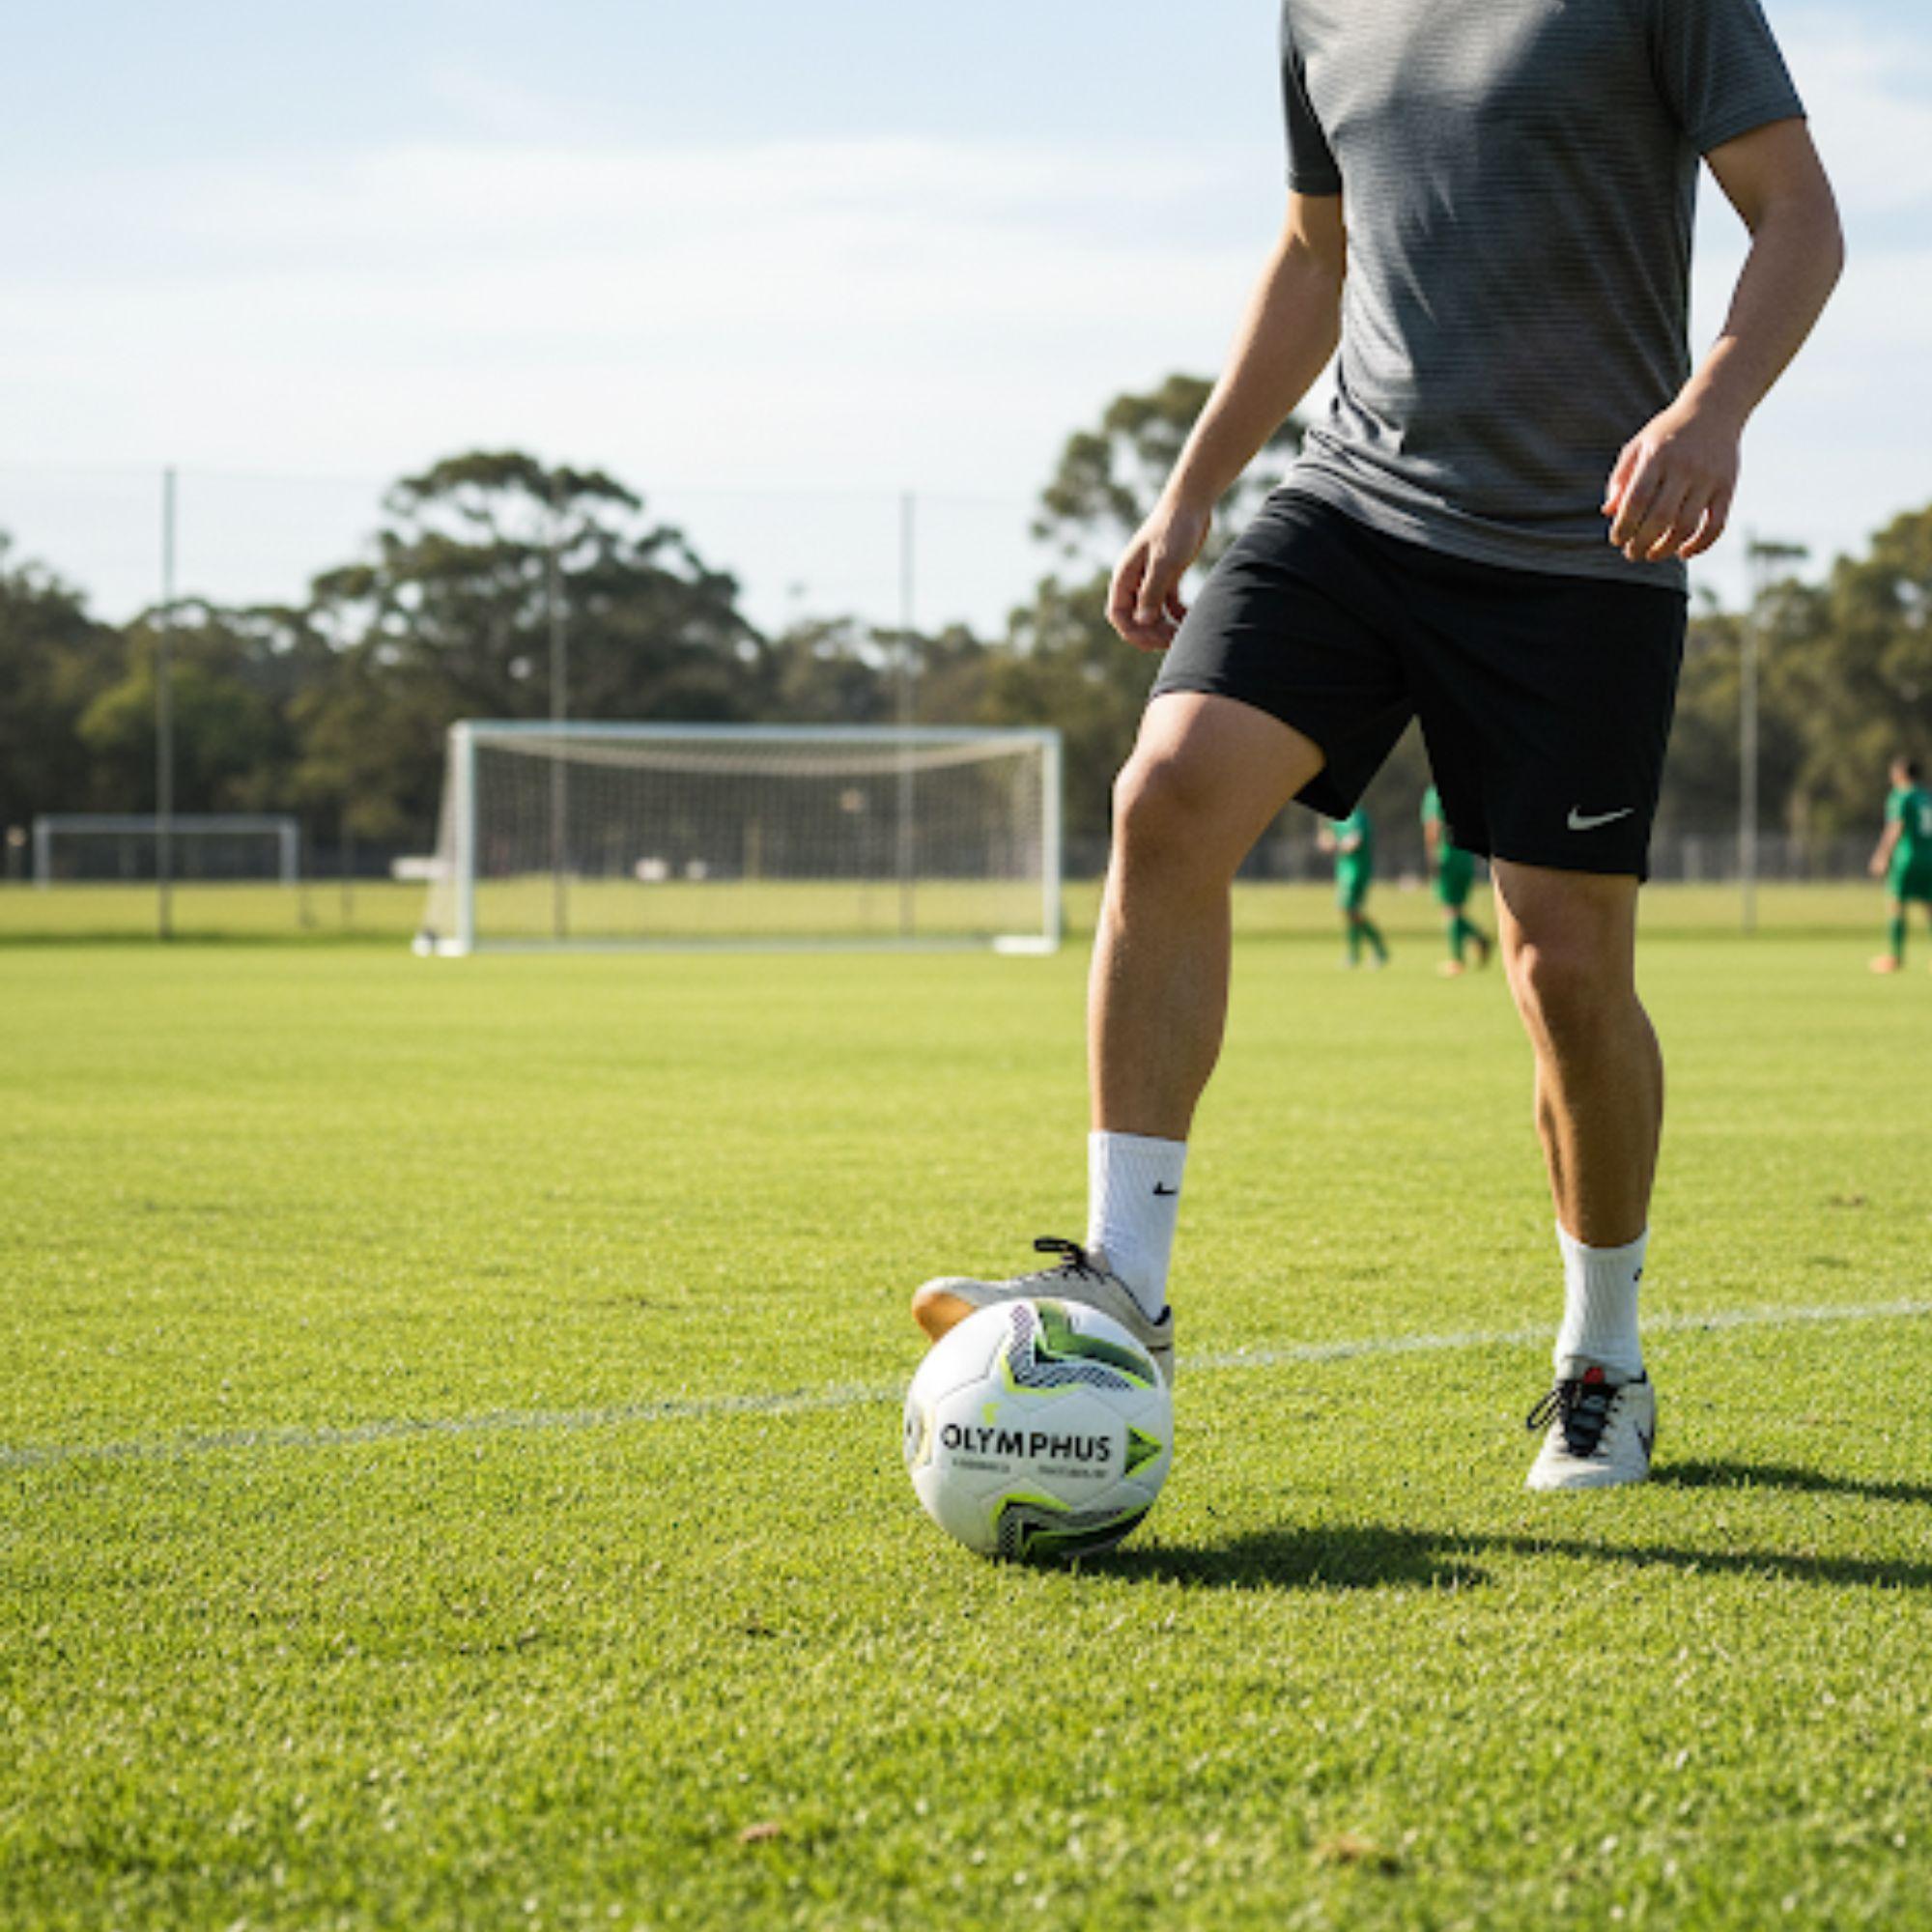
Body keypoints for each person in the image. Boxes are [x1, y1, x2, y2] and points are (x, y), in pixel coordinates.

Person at [913, 0, 1840, 1489]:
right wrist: (1194, 484)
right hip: (1353, 502)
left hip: (1581, 544)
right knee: (1166, 792)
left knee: (1565, 971)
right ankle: (1125, 1283)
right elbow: (1310, 252)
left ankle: (1604, 1357)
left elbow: (1798, 215)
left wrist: (1712, 410)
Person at [1868, 755, 1932, 975]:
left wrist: (1882, 855)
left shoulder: (1901, 796)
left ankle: (1895, 956)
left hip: (1908, 857)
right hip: (1930, 857)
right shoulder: (1926, 797)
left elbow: (1895, 828)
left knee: (1896, 903)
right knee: (1929, 907)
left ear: (1901, 774)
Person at [1422, 784, 1492, 977]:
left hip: (1447, 857)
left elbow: (1433, 826)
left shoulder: (1434, 794)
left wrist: (1431, 856)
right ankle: (1479, 938)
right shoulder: (1462, 791)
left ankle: (1457, 960)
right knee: (1458, 909)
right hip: (1465, 857)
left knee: (1450, 911)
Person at [1317, 805, 1387, 968]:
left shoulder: (1357, 816)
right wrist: (1326, 841)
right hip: (1344, 869)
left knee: (1348, 908)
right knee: (1350, 912)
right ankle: (1355, 955)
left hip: (1358, 871)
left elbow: (1354, 841)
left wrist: (1337, 845)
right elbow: (1328, 841)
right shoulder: (1336, 819)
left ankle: (1378, 947)